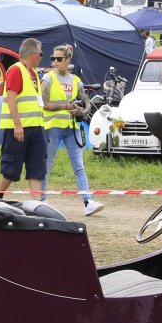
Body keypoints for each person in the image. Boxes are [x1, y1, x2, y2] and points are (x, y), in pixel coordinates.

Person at [41, 44, 103, 216]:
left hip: (72, 127)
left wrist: (82, 111)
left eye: (59, 59)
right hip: (53, 127)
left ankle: (88, 201)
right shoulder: (48, 78)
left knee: (79, 166)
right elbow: (44, 104)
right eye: (53, 58)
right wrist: (66, 106)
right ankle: (41, 200)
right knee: (47, 165)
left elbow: (87, 102)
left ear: (68, 60)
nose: (55, 61)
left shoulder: (75, 80)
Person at [0, 38, 47, 201]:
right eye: (41, 54)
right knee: (11, 169)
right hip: (18, 129)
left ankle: (38, 204)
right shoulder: (16, 70)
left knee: (37, 169)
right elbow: (11, 97)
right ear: (33, 54)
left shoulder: (34, 73)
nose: (42, 58)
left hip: (36, 127)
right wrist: (17, 125)